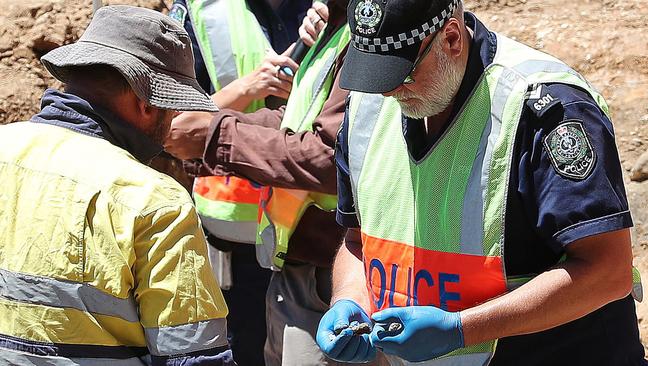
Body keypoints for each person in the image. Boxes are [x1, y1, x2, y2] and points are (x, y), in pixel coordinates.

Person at [317, 0, 647, 365]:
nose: (389, 93)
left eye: (403, 74)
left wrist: (462, 329)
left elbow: (607, 271)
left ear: (452, 39)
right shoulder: (368, 109)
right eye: (377, 75)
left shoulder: (541, 110)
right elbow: (358, 240)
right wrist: (348, 299)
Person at [0, 6, 234, 365]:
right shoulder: (153, 199)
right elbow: (192, 356)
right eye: (170, 108)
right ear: (144, 104)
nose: (173, 122)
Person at [166, 1, 389, 365]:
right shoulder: (331, 23)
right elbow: (299, 120)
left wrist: (217, 135)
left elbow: (330, 155)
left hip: (341, 262)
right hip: (282, 253)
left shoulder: (366, 27)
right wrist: (213, 129)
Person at [167, 1, 309, 363]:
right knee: (242, 348)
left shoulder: (335, 9)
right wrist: (248, 87)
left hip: (316, 229)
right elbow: (170, 124)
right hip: (234, 231)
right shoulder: (200, 11)